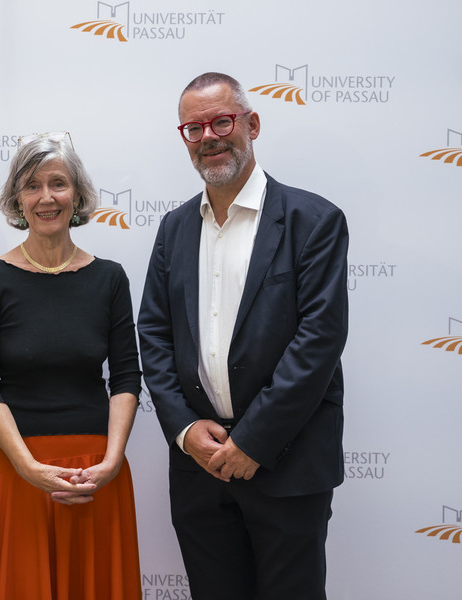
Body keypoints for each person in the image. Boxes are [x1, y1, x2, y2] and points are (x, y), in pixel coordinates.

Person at [137, 72, 349, 600]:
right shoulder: (173, 228)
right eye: (194, 128)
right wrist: (184, 428)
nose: (209, 136)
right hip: (199, 465)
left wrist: (253, 440)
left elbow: (319, 340)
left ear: (251, 124)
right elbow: (155, 333)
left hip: (287, 460)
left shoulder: (314, 220)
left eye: (222, 121)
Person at [0, 132, 143, 600]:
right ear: (16, 198)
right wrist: (27, 466)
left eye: (58, 184)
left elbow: (125, 376)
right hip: (17, 470)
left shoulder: (109, 278)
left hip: (95, 473)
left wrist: (111, 461)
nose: (46, 197)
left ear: (78, 195)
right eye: (32, 185)